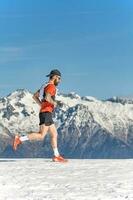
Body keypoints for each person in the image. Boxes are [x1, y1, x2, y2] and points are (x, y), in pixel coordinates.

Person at [13, 69, 68, 163]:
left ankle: (56, 156)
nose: (60, 80)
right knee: (41, 135)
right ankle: (19, 139)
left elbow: (35, 96)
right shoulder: (51, 86)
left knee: (54, 134)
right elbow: (47, 97)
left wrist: (42, 105)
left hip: (47, 113)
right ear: (54, 77)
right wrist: (55, 103)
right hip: (46, 113)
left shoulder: (44, 85)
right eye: (59, 78)